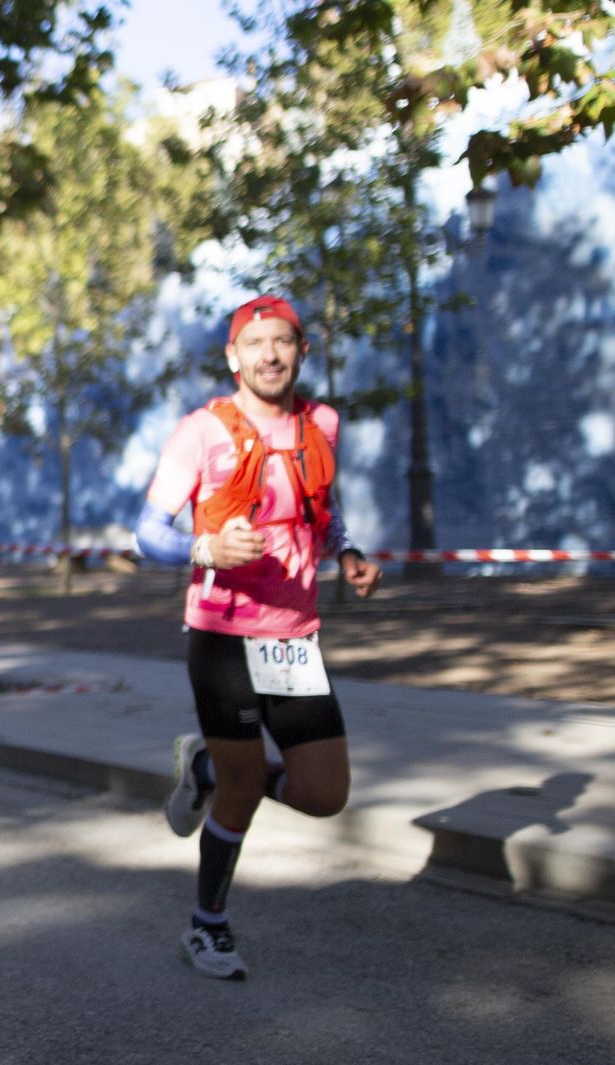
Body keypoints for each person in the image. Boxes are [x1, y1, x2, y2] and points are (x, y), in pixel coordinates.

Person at [134, 294, 382, 980]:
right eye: (256, 343)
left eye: (283, 341)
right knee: (245, 785)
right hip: (223, 636)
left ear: (302, 351)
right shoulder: (203, 431)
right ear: (233, 357)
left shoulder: (321, 424)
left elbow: (321, 507)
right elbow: (147, 533)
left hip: (294, 640)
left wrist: (347, 551)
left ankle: (205, 769)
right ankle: (207, 926)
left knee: (324, 793)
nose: (270, 354)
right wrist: (207, 548)